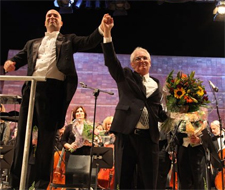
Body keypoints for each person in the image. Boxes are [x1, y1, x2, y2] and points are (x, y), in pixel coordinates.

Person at [3, 9, 110, 189]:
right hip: (31, 90)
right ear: (45, 23)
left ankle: (41, 185)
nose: (52, 18)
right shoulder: (32, 43)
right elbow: (17, 60)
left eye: (56, 16)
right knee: (22, 139)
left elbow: (88, 41)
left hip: (52, 92)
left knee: (46, 142)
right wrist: (10, 63)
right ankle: (15, 184)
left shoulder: (68, 40)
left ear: (61, 24)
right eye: (48, 16)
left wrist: (102, 28)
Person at [101, 15, 168, 189]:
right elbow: (110, 61)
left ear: (150, 63)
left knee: (149, 181)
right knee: (125, 180)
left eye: (145, 58)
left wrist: (174, 111)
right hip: (127, 135)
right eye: (137, 58)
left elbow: (157, 111)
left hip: (150, 138)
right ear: (132, 64)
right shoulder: (125, 76)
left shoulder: (156, 84)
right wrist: (107, 33)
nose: (142, 60)